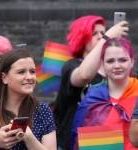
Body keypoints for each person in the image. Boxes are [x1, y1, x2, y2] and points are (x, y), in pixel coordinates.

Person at [53, 15, 129, 150]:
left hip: (108, 142)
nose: (100, 36)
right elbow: (84, 75)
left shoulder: (114, 69)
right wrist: (106, 38)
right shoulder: (71, 66)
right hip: (73, 143)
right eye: (94, 34)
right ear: (81, 38)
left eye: (103, 33)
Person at [71, 37, 138, 150]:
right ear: (102, 65)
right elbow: (78, 139)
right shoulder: (92, 96)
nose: (117, 66)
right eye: (110, 61)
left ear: (132, 62)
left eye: (123, 60)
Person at [0, 49, 57, 150]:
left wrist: (29, 137)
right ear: (4, 77)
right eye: (21, 72)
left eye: (32, 72)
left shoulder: (42, 110)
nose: (29, 77)